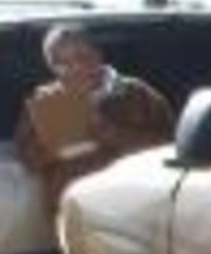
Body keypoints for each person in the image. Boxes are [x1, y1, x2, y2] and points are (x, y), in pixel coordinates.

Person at [13, 26, 173, 215]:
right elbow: (28, 161)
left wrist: (111, 133)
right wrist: (61, 143)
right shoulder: (45, 101)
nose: (75, 67)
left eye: (82, 56)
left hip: (136, 208)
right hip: (77, 214)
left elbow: (169, 147)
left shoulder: (137, 93)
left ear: (98, 54)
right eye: (62, 62)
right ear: (51, 67)